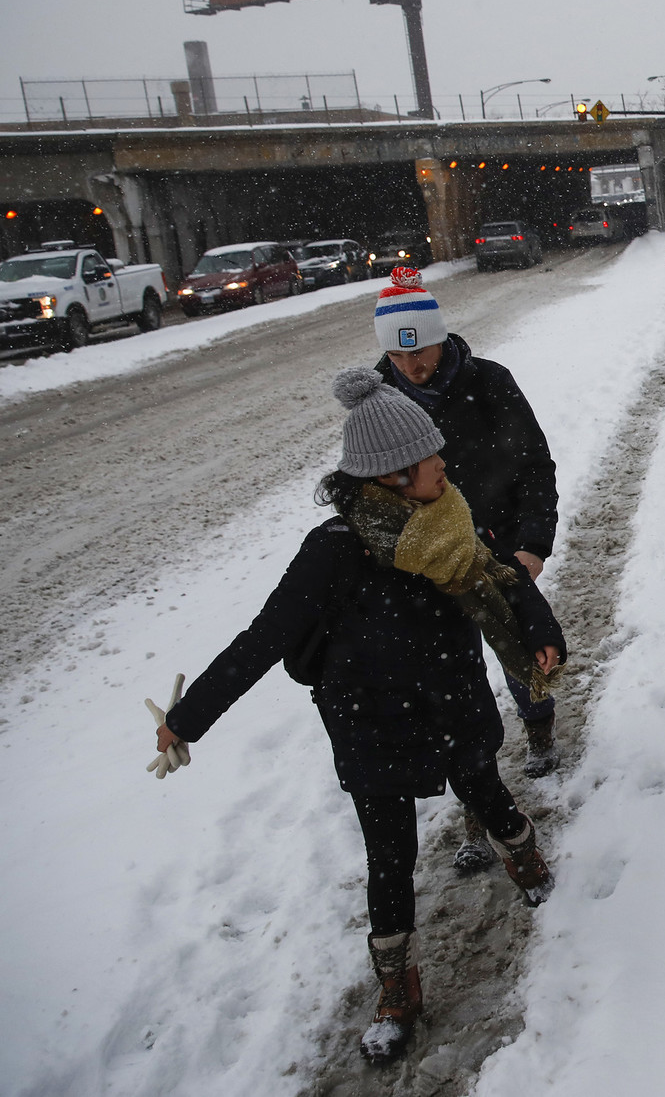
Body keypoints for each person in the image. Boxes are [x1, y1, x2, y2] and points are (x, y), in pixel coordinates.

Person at [152, 369, 563, 1065]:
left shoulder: (452, 519)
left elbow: (504, 580)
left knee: (486, 794)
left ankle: (522, 853)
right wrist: (186, 718)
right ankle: (397, 989)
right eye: (432, 458)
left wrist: (541, 633)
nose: (445, 464)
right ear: (395, 475)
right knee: (389, 857)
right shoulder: (335, 551)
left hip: (453, 706)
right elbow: (264, 637)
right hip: (371, 724)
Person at [370, 267, 564, 868]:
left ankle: (537, 726)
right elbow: (367, 490)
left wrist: (531, 542)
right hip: (424, 568)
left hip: (499, 549)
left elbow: (536, 464)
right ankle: (479, 807)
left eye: (420, 350)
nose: (412, 367)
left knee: (516, 653)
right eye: (397, 356)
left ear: (440, 337)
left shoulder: (489, 383)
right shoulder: (378, 404)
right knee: (453, 691)